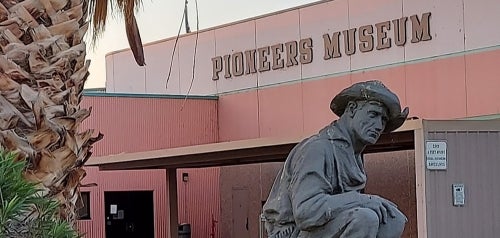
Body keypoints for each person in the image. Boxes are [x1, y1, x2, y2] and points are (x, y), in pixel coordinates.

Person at [262, 80, 410, 238]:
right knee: (364, 219)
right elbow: (306, 212)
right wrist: (362, 200)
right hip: (292, 233)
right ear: (352, 109)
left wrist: (365, 201)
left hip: (318, 228)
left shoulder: (351, 154)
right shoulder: (318, 149)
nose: (379, 125)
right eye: (373, 114)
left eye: (383, 120)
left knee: (393, 219)